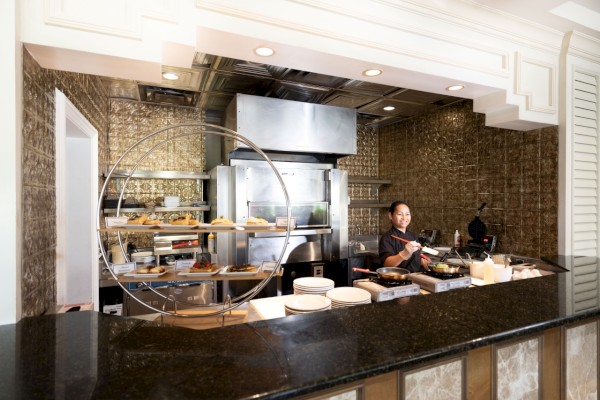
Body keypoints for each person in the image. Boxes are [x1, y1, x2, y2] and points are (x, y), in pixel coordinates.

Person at [379, 200, 428, 273]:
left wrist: (421, 261)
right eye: (400, 214)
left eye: (407, 214)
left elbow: (415, 257)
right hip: (400, 279)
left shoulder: (413, 235)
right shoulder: (387, 238)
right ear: (390, 215)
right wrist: (404, 254)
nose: (404, 218)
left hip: (416, 277)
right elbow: (387, 264)